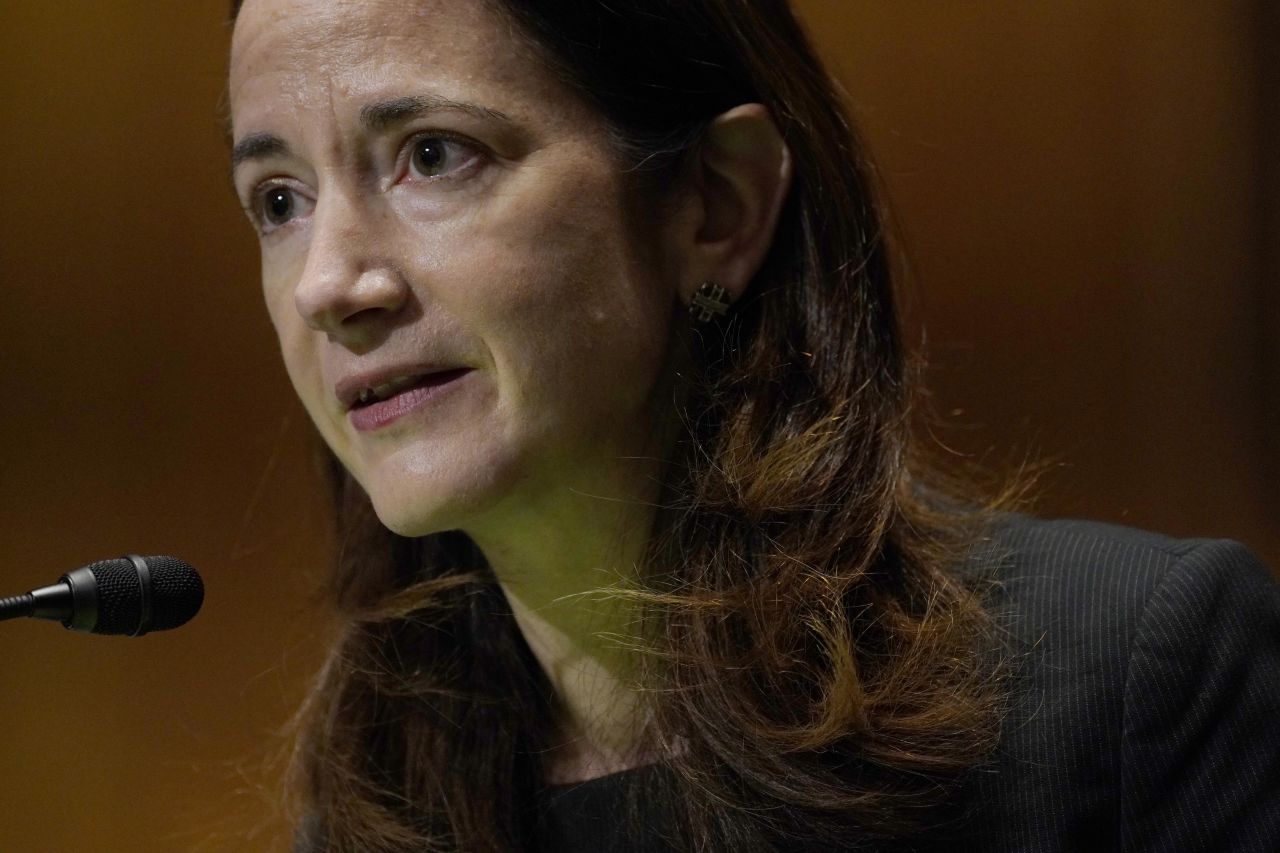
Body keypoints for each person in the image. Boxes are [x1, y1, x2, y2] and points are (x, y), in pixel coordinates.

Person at [226, 0, 1280, 850]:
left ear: (716, 205)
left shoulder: (1131, 677)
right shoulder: (373, 820)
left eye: (433, 155)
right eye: (278, 200)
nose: (328, 282)